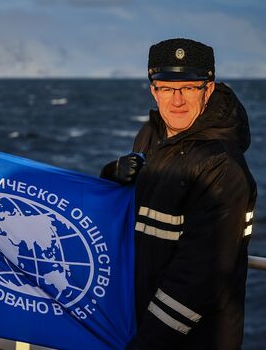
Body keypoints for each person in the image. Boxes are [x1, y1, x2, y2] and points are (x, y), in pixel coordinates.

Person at [102, 38, 256, 350]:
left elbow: (198, 278)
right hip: (139, 325)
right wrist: (111, 175)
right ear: (153, 90)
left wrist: (143, 344)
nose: (177, 101)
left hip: (194, 338)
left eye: (188, 88)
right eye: (168, 88)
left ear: (208, 90)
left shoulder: (221, 166)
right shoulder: (150, 137)